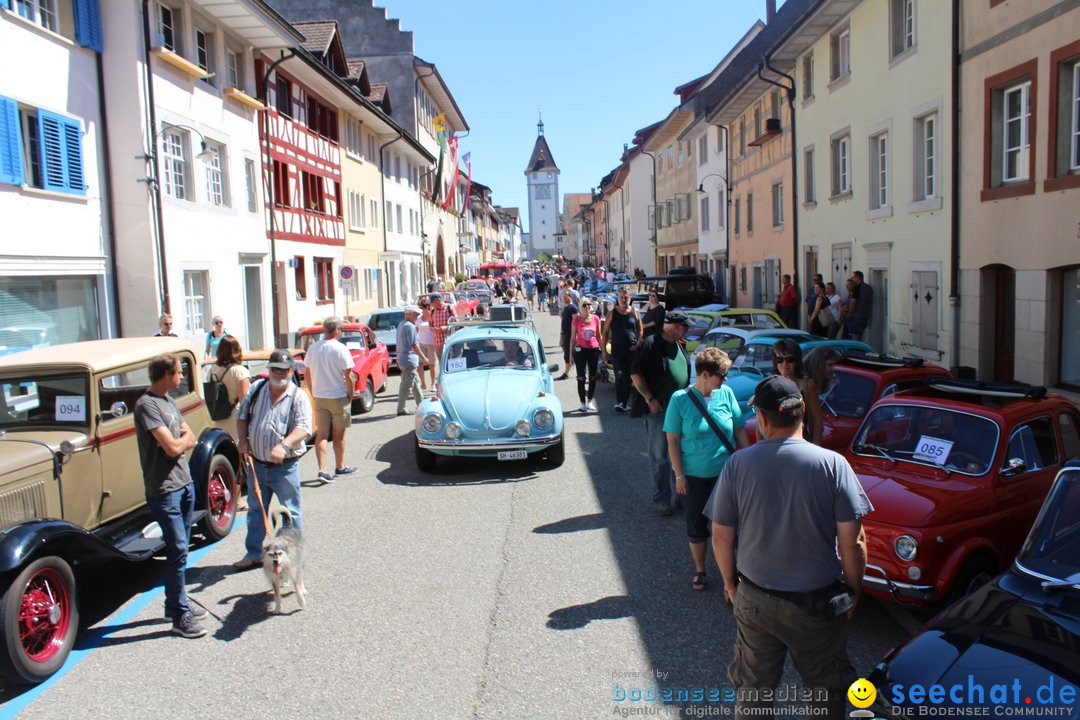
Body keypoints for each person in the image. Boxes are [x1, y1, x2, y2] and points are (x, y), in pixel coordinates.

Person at [704, 375, 872, 719]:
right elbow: (853, 541)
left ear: (762, 419)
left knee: (753, 691)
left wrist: (730, 585)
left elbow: (720, 535)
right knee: (826, 693)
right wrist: (854, 591)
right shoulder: (833, 465)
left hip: (756, 597)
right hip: (818, 602)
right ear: (804, 411)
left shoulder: (738, 464)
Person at [664, 347, 749, 591]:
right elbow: (672, 440)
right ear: (704, 374)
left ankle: (731, 576)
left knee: (731, 525)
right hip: (694, 475)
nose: (726, 379)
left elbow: (739, 428)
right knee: (696, 524)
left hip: (726, 474)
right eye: (722, 374)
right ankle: (700, 569)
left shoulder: (727, 393)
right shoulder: (680, 399)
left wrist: (748, 461)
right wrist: (679, 475)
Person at [134, 353, 205, 638]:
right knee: (177, 551)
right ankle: (179, 617)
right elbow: (173, 447)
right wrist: (181, 441)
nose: (182, 377)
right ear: (166, 374)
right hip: (165, 491)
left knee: (182, 548)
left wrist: (182, 441)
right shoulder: (146, 406)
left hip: (184, 484)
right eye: (178, 372)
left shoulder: (168, 402)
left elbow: (190, 436)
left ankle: (177, 602)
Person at [232, 349, 313, 570]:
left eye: (284, 370)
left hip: (285, 467)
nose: (279, 373)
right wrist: (242, 440)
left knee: (291, 512)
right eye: (275, 369)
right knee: (256, 510)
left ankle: (294, 559)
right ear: (269, 370)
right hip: (257, 464)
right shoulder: (257, 389)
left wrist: (284, 445)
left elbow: (304, 428)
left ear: (291, 371)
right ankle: (254, 554)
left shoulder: (298, 396)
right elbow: (242, 416)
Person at [630, 310, 691, 516]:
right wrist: (650, 399)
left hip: (680, 407)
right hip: (660, 408)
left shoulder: (680, 344)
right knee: (661, 456)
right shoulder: (650, 344)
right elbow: (636, 374)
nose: (687, 331)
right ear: (675, 327)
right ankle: (662, 499)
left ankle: (682, 495)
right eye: (685, 327)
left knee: (681, 454)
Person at [303, 317, 357, 483]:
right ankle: (340, 466)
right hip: (338, 396)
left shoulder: (313, 348)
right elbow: (349, 376)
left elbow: (307, 373)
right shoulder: (340, 348)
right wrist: (351, 393)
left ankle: (322, 469)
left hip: (320, 397)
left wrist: (313, 391)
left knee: (322, 433)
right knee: (339, 434)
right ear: (336, 330)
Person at [770, 338, 825, 446]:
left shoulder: (807, 384)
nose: (785, 364)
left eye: (790, 359)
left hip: (800, 443)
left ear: (797, 361)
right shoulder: (770, 384)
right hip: (774, 445)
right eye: (780, 360)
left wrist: (815, 446)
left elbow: (817, 419)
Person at [602, 287, 642, 413]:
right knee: (620, 375)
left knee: (632, 377)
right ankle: (621, 402)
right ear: (617, 298)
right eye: (621, 297)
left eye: (626, 297)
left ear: (630, 298)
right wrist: (603, 350)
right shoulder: (612, 313)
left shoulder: (635, 312)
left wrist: (639, 342)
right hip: (617, 350)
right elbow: (605, 332)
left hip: (632, 350)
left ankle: (629, 403)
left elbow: (640, 329)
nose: (624, 299)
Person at [570, 299, 603, 412]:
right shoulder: (576, 320)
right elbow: (573, 339)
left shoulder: (596, 318)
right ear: (580, 307)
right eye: (585, 305)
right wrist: (570, 355)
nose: (587, 307)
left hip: (593, 350)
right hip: (580, 351)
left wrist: (603, 350)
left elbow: (599, 336)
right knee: (581, 377)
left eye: (589, 304)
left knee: (593, 377)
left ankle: (589, 401)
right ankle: (582, 403)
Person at [395, 306, 428, 416]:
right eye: (415, 315)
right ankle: (401, 408)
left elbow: (399, 343)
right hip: (408, 360)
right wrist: (424, 357)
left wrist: (397, 358)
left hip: (405, 360)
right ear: (408, 314)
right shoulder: (410, 327)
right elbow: (414, 345)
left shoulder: (401, 325)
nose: (417, 317)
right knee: (406, 386)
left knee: (415, 384)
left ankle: (421, 406)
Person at [428, 293, 456, 374]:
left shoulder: (449, 308)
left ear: (438, 300)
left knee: (451, 362)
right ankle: (443, 380)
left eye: (433, 303)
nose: (432, 305)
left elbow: (456, 323)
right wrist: (434, 329)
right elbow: (430, 326)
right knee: (442, 364)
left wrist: (445, 328)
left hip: (449, 341)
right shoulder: (432, 311)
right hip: (438, 343)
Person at [557, 291, 579, 380]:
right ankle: (570, 372)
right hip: (565, 334)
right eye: (563, 297)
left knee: (570, 354)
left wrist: (576, 336)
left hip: (571, 335)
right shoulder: (566, 308)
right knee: (568, 354)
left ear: (570, 297)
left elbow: (577, 322)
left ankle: (566, 373)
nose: (564, 299)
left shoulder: (573, 308)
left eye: (566, 297)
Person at [846, 271, 873, 341]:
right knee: (859, 335)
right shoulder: (869, 288)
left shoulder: (857, 287)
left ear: (857, 277)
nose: (853, 279)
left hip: (856, 316)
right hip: (865, 316)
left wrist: (849, 314)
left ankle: (855, 351)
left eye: (853, 277)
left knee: (854, 336)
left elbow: (853, 302)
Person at [417, 300, 436, 390]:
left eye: (428, 308)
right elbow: (416, 330)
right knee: (420, 365)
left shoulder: (432, 318)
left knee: (432, 365)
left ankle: (433, 384)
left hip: (431, 344)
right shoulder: (418, 319)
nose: (426, 310)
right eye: (424, 308)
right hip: (422, 343)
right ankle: (423, 383)